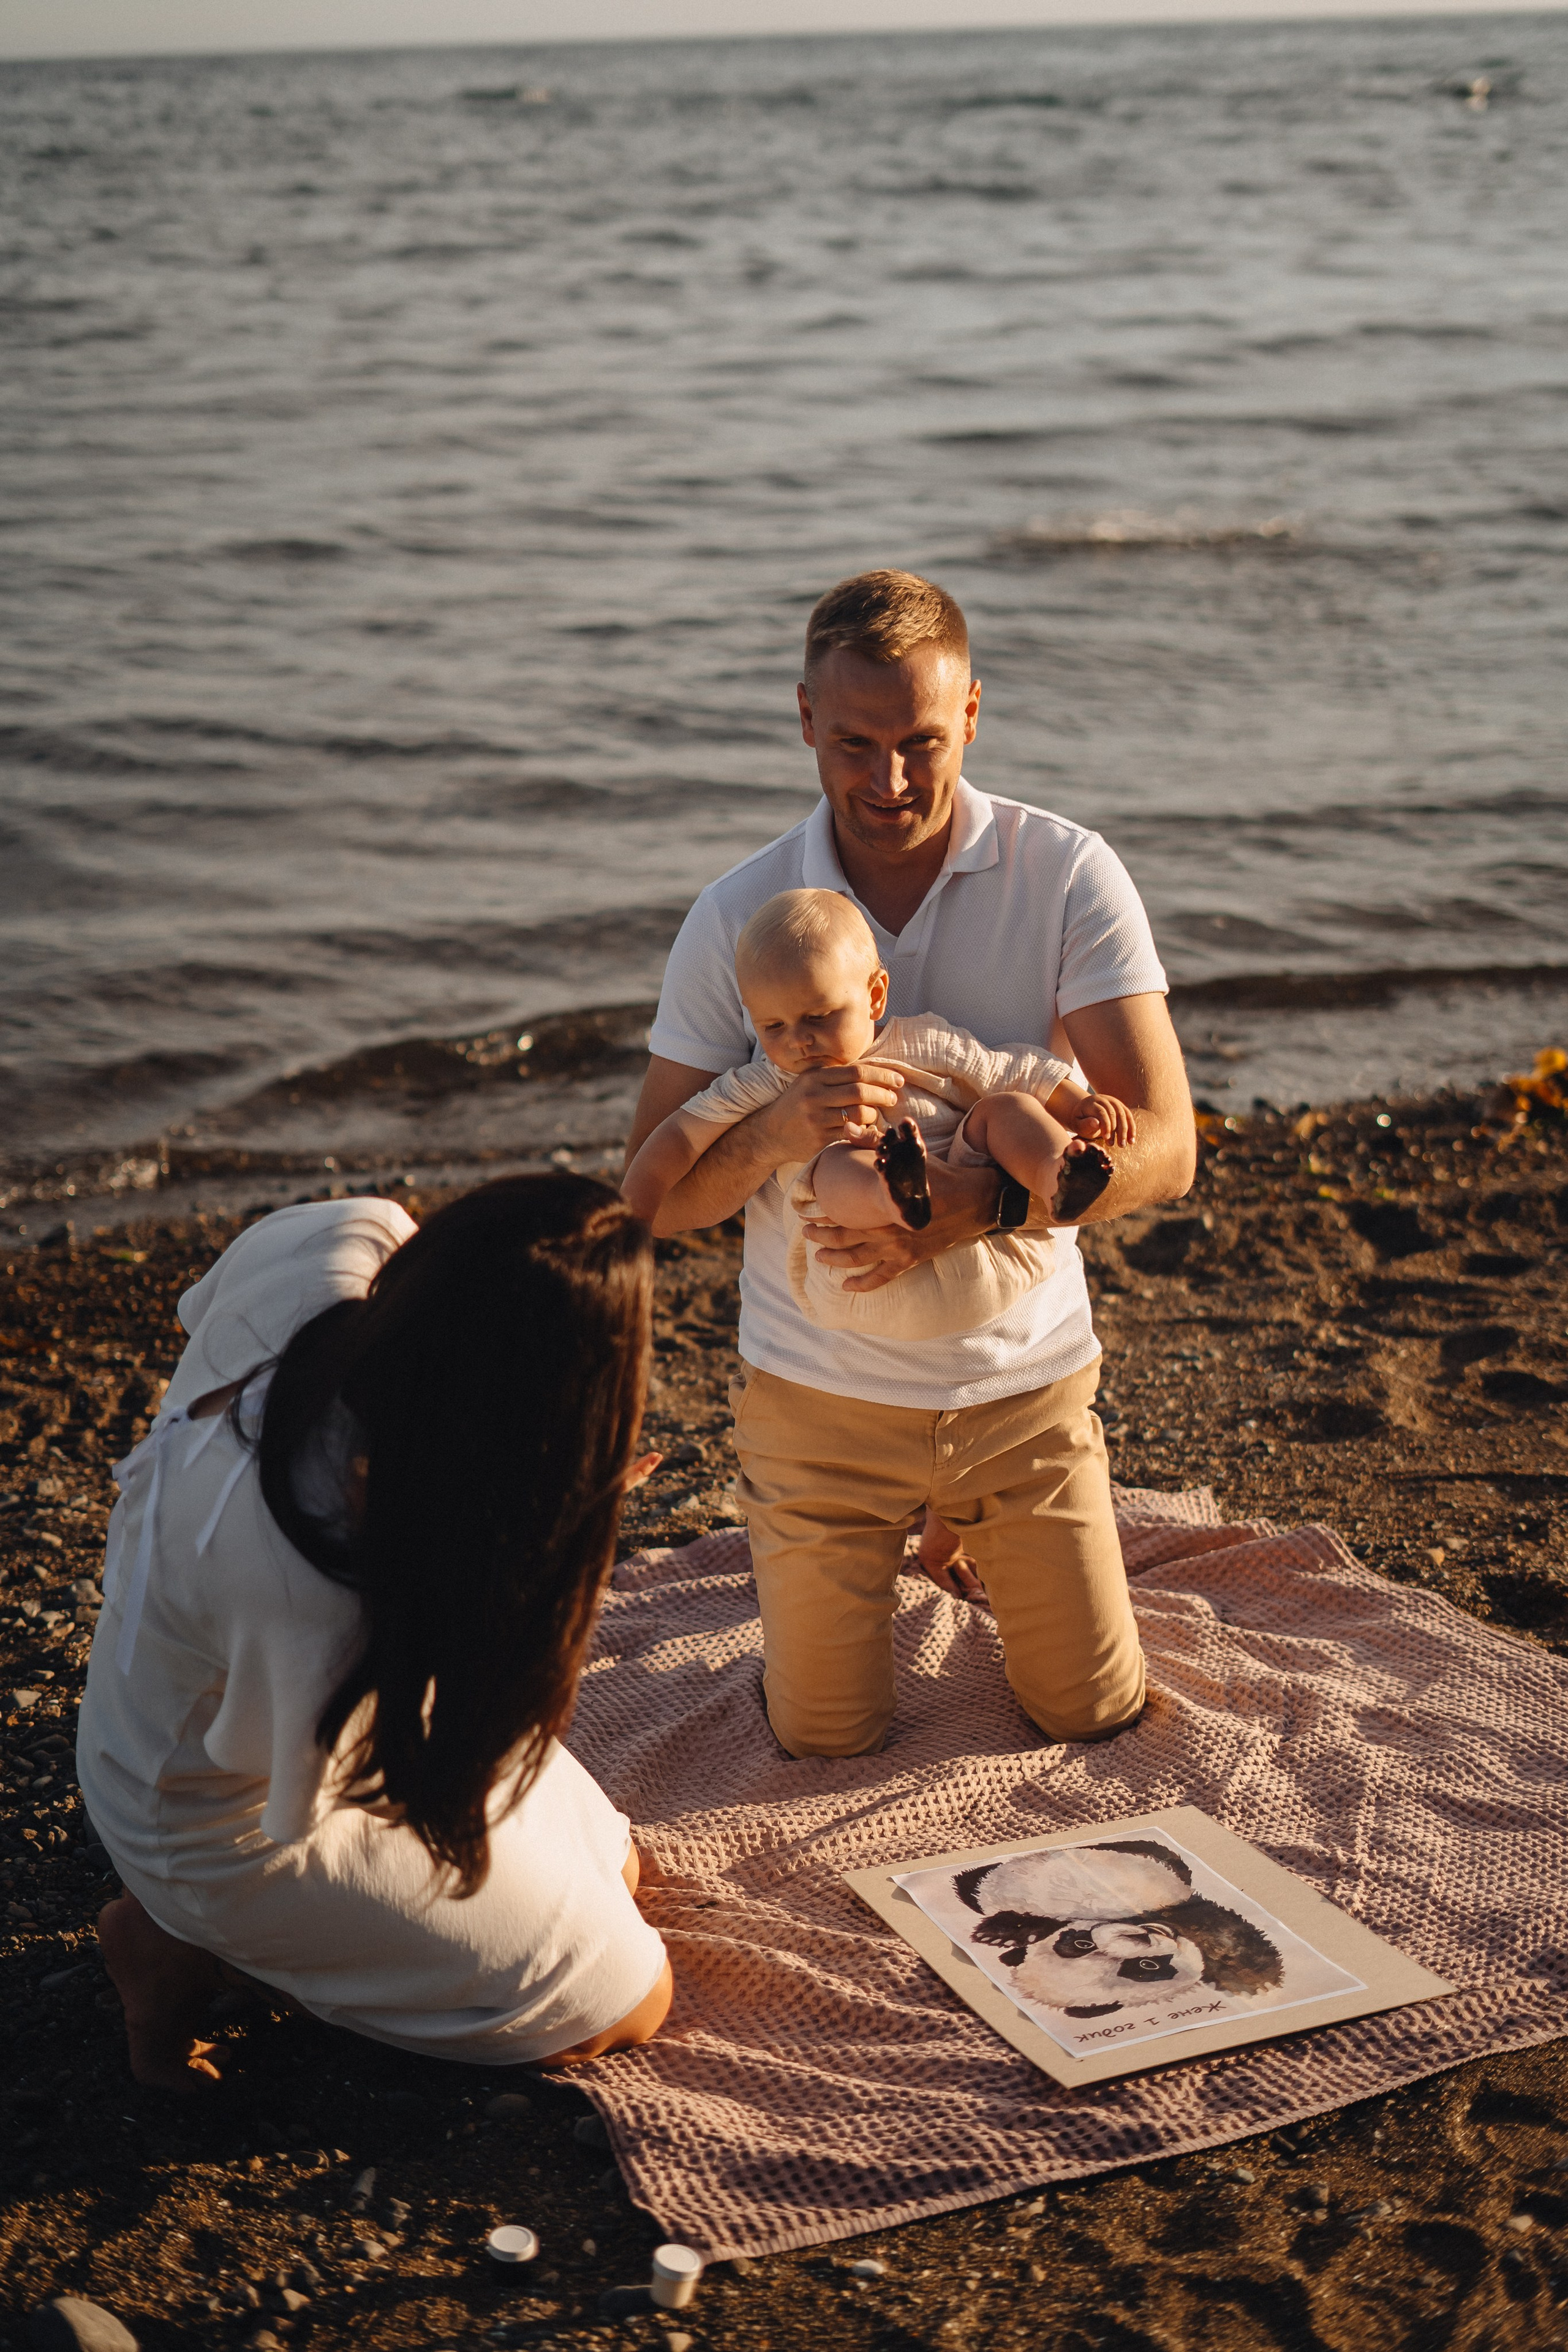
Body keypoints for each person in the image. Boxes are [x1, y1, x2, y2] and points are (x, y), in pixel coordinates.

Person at [624, 568, 1195, 1760]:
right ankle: (873, 1544)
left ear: (972, 714)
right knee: (823, 1737)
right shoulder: (739, 917)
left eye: (921, 742)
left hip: (1021, 1391)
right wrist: (780, 1131)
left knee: (1090, 1715)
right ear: (804, 720)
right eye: (854, 744)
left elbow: (1168, 1148)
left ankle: (973, 1518)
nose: (888, 780)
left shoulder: (1064, 871)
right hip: (817, 1402)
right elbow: (656, 1199)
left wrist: (974, 1209)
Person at [80, 1178, 673, 2090]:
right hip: (223, 1820)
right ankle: (181, 1941)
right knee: (631, 1997)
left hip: (185, 1694)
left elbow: (203, 1312)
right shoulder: (320, 1579)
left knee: (624, 1868)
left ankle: (217, 1934)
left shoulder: (345, 1238)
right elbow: (359, 1789)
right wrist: (547, 1536)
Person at [624, 887, 1134, 1343]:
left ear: (875, 996)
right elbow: (681, 1136)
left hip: (994, 1255)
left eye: (818, 1017)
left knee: (1006, 1108)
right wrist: (631, 1217)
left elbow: (1013, 1070)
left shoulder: (923, 1042)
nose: (798, 1041)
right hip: (860, 1269)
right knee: (837, 1164)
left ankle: (1059, 1175)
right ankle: (892, 1191)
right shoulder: (774, 1082)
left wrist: (1078, 1105)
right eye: (772, 1027)